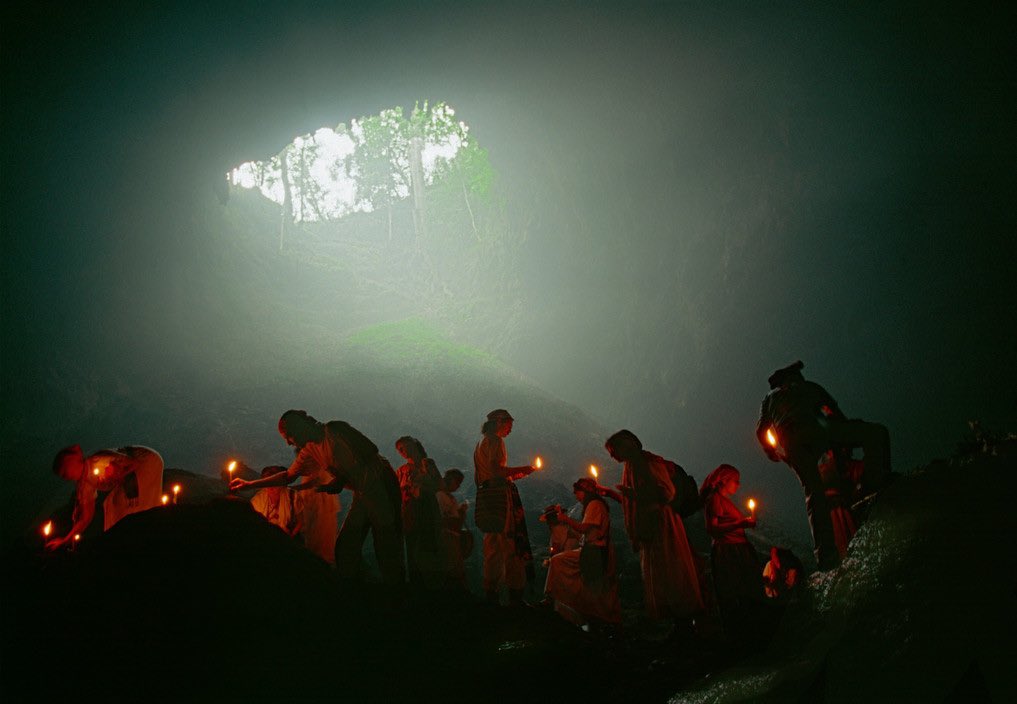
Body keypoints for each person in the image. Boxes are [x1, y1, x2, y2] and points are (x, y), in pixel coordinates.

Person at [230, 411, 403, 589]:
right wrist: (249, 484)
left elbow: (369, 450)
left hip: (381, 485)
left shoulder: (335, 430)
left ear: (299, 427)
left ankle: (397, 594)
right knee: (346, 546)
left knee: (386, 543)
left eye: (289, 436)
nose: (289, 442)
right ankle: (354, 593)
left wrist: (340, 480)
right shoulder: (309, 450)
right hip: (362, 494)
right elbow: (288, 476)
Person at [756, 360, 892, 568]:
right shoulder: (809, 387)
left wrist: (771, 451)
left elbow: (762, 430)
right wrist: (845, 437)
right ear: (794, 377)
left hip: (791, 442)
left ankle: (825, 555)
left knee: (813, 493)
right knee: (876, 433)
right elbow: (834, 414)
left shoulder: (769, 399)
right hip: (818, 430)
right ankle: (873, 484)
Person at [606, 429, 704, 626]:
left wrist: (634, 495)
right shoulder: (632, 466)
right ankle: (675, 623)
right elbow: (635, 500)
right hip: (650, 528)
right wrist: (615, 494)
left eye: (614, 450)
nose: (613, 456)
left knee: (671, 571)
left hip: (662, 525)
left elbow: (666, 493)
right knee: (660, 574)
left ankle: (684, 623)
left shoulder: (649, 462)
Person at [473, 408, 537, 606]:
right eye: (508, 425)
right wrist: (523, 469)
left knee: (492, 546)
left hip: (485, 497)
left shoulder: (480, 444)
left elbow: (485, 475)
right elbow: (496, 470)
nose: (510, 429)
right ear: (500, 422)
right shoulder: (496, 441)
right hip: (500, 498)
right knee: (510, 543)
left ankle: (491, 593)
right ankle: (515, 596)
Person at [46, 444, 164, 550]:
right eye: (63, 475)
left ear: (72, 463)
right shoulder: (84, 483)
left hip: (146, 461)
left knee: (127, 506)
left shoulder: (98, 460)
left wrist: (119, 474)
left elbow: (133, 463)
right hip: (129, 476)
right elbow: (86, 517)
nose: (65, 476)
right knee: (111, 506)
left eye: (65, 471)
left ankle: (141, 541)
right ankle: (123, 543)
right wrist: (65, 540)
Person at [542, 478, 622, 630]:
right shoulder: (592, 505)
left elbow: (584, 528)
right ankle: (597, 617)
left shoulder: (594, 505)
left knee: (561, 564)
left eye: (577, 492)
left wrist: (566, 519)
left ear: (584, 492)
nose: (575, 496)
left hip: (595, 551)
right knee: (597, 588)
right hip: (593, 549)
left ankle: (553, 598)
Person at [700, 464, 763, 639]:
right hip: (728, 552)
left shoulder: (724, 501)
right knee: (735, 590)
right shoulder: (715, 500)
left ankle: (746, 631)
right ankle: (740, 633)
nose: (738, 485)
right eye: (736, 481)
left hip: (736, 549)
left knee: (742, 590)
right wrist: (740, 524)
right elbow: (712, 528)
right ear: (724, 481)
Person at [395, 436, 444, 588]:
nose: (402, 451)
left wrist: (419, 487)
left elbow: (439, 485)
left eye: (404, 447)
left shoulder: (427, 464)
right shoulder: (401, 471)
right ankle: (416, 585)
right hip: (410, 513)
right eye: (399, 450)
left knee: (428, 547)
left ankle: (432, 585)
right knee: (412, 548)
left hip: (427, 511)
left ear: (413, 445)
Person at [436, 468, 470, 590]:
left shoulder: (449, 498)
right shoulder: (440, 496)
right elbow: (444, 520)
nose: (458, 486)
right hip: (447, 539)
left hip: (453, 539)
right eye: (458, 482)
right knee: (452, 571)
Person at [250, 466, 304, 538]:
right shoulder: (258, 500)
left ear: (282, 484)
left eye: (274, 484)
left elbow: (301, 520)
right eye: (268, 483)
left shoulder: (293, 496)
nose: (271, 487)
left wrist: (291, 536)